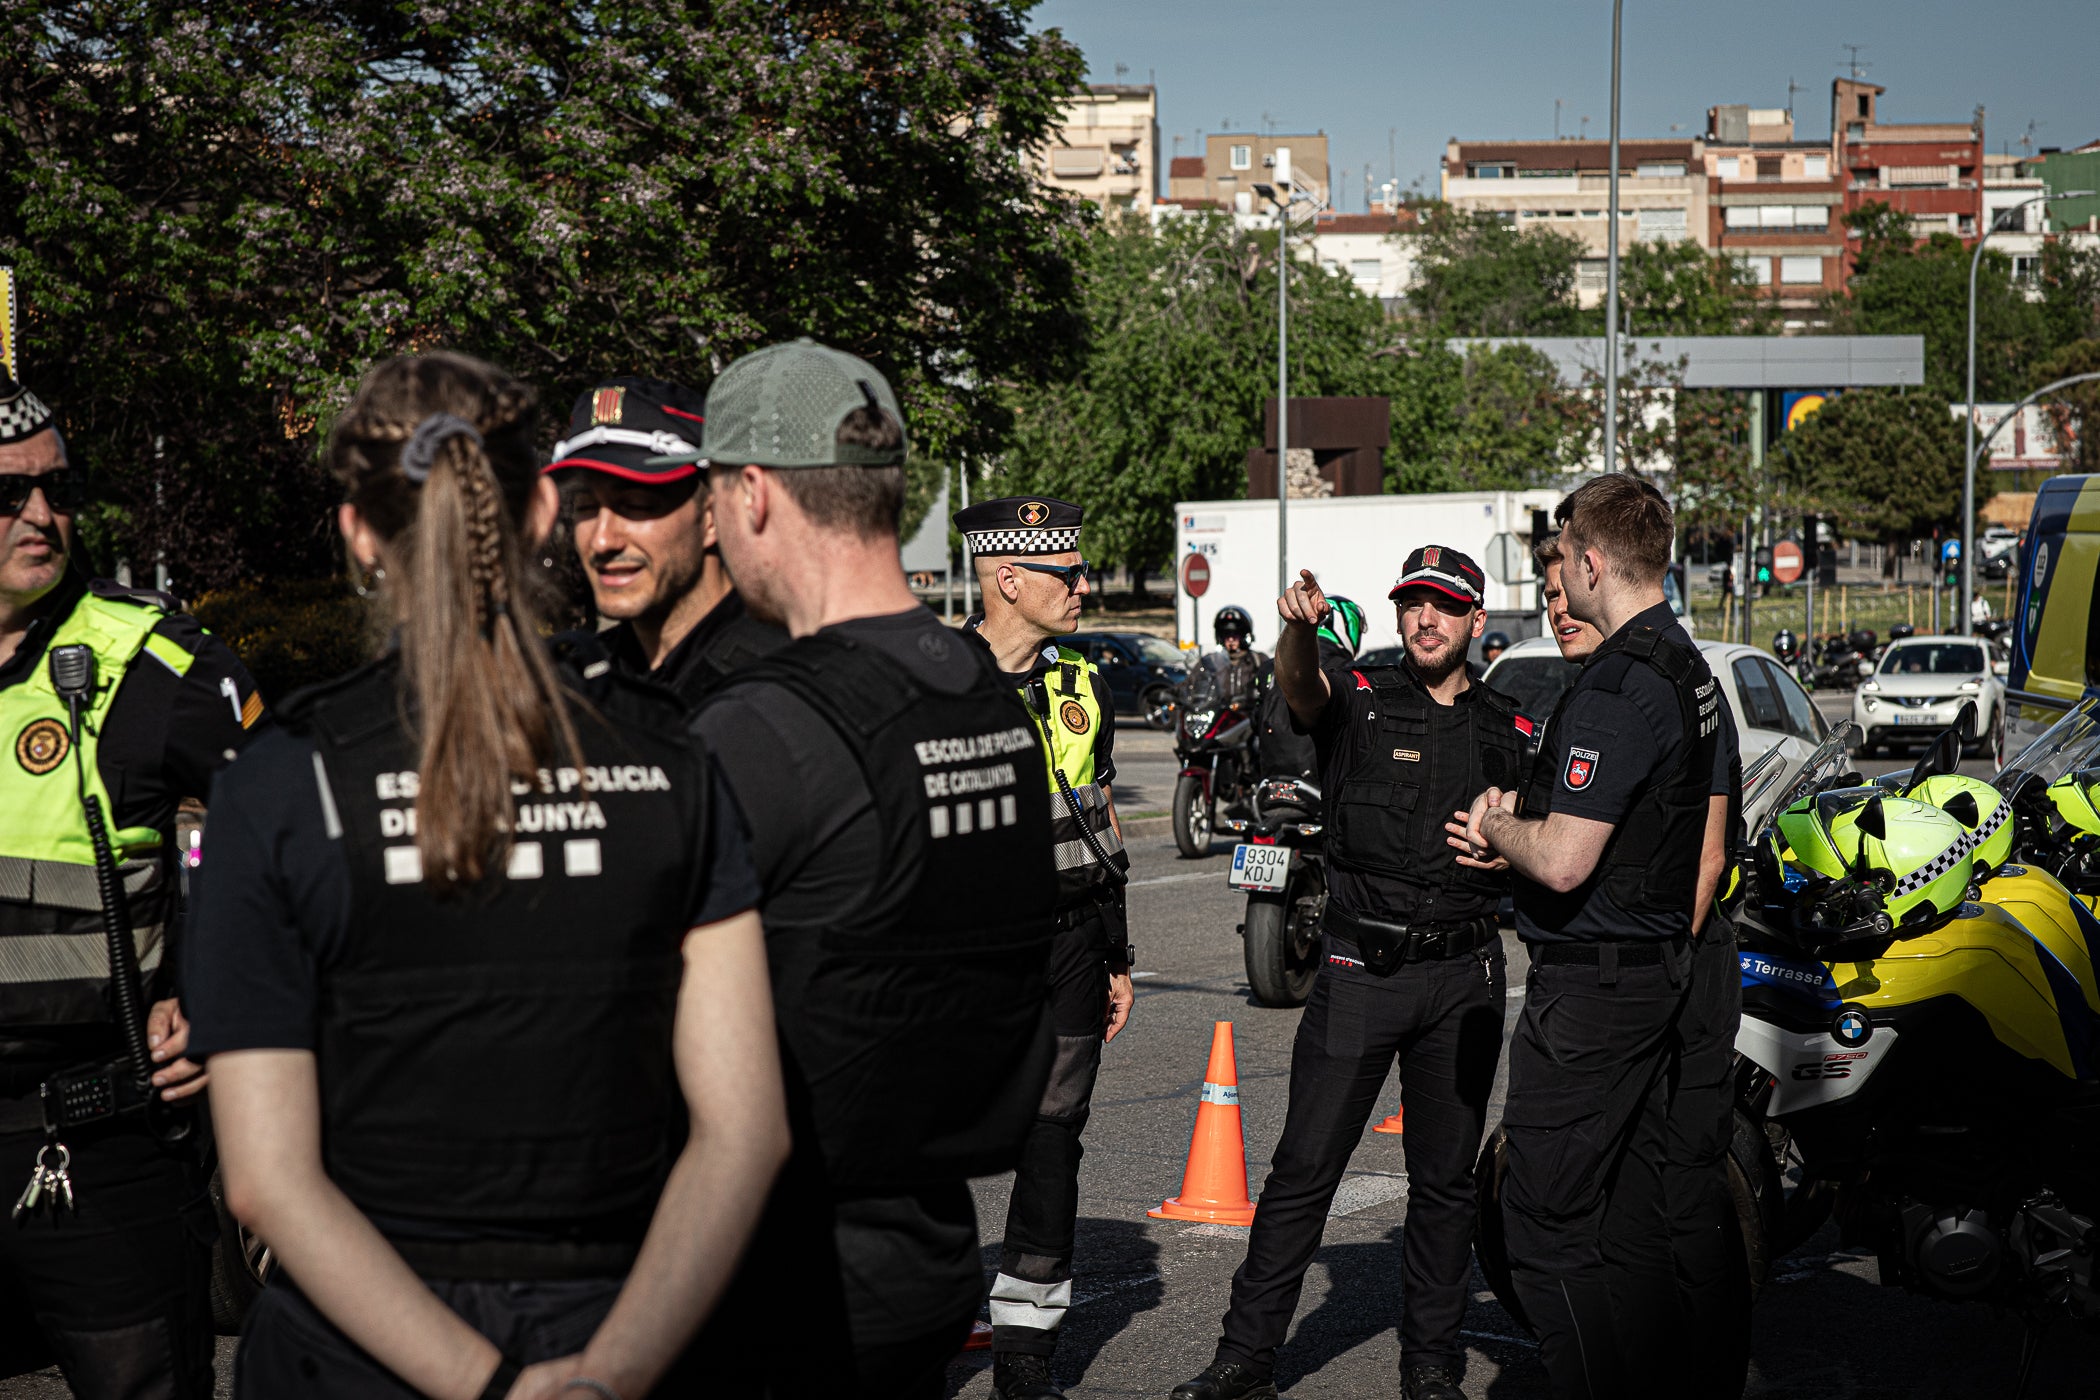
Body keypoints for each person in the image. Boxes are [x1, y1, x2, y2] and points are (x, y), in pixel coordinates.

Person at [184, 352, 789, 1400]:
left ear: (358, 532)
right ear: (545, 511)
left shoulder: (279, 782)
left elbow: (267, 1182)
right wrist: (606, 1375)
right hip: (624, 1323)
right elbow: (744, 1132)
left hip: (359, 1353)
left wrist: (490, 1384)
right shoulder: (672, 759)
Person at [663, 338, 1059, 1399]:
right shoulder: (983, 694)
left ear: (752, 494)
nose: (708, 529)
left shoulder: (764, 726)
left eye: (709, 499)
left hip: (775, 1277)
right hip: (924, 1254)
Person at [1173, 547, 1530, 1400]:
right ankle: (1245, 1358)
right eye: (1413, 603)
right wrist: (1297, 632)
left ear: (1477, 620)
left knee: (1444, 1186)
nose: (1426, 619)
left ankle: (1431, 1365)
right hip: (1358, 969)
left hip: (1463, 976)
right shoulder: (1359, 699)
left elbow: (1548, 843)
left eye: (1446, 606)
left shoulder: (1513, 730)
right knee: (1303, 1172)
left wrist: (1510, 847)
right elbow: (1301, 688)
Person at [0, 375, 263, 1396]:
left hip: (95, 1144)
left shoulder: (152, 660)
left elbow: (291, 838)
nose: (40, 514)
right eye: (8, 493)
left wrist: (213, 995)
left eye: (59, 489)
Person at [1456, 476, 1724, 1398]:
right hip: (1653, 977)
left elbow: (1567, 862)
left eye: (1565, 555)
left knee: (1541, 1222)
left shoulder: (1620, 685)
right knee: (1628, 1223)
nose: (1560, 577)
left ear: (1593, 562)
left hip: (1595, 993)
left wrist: (1497, 827)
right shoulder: (1686, 667)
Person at [1528, 531, 1749, 1395]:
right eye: (1545, 599)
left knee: (1681, 1193)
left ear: (1594, 576)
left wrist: (1656, 977)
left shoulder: (1648, 684)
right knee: (1629, 1198)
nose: (1557, 610)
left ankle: (1710, 1375)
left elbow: (1705, 862)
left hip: (1679, 965)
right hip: (1659, 964)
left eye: (1563, 591)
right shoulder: (1614, 684)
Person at [953, 496, 1138, 1400]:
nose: (1083, 586)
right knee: (929, 1137)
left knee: (1054, 1135)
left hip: (1071, 944)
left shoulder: (1082, 681)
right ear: (1008, 578)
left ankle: (1026, 1354)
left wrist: (1118, 955)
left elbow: (1100, 817)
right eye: (1067, 574)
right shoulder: (937, 685)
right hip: (966, 956)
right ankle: (920, 1313)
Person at [547, 376, 785, 702]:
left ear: (713, 517)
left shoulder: (777, 683)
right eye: (586, 507)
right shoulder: (577, 681)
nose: (602, 541)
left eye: (637, 506)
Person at [1256, 596, 1364, 789]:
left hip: (1270, 777)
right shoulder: (1351, 671)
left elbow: (1254, 717)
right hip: (1321, 781)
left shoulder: (1269, 667)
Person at [1194, 606, 1263, 710]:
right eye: (1227, 635)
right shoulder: (1210, 661)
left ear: (1244, 636)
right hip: (1217, 714)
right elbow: (1189, 682)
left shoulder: (1257, 660)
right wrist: (1172, 693)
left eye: (1235, 634)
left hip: (1248, 715)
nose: (1231, 639)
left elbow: (1272, 689)